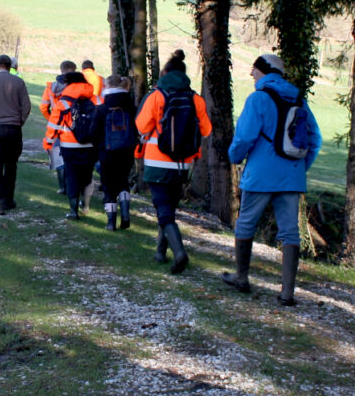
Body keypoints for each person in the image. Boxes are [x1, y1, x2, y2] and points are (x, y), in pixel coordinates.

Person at [221, 52, 321, 305]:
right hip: (292, 174)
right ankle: (287, 292)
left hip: (261, 174)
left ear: (263, 72)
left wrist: (234, 157)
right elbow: (314, 139)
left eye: (254, 70)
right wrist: (300, 168)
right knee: (290, 233)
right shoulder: (299, 99)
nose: (252, 74)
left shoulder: (258, 98)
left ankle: (241, 277)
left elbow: (244, 137)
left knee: (246, 224)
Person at [135, 49, 211, 273]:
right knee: (169, 208)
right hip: (182, 164)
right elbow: (206, 130)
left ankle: (179, 253)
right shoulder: (195, 98)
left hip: (157, 162)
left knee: (162, 209)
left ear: (165, 73)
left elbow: (141, 127)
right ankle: (160, 252)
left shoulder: (156, 95)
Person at [0, 53, 33, 214]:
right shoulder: (19, 82)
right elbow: (27, 106)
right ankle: (8, 200)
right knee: (11, 166)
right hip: (14, 129)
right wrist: (20, 121)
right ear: (10, 67)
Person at [43, 70, 100, 220]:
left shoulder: (63, 102)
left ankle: (73, 211)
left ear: (69, 84)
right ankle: (85, 203)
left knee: (72, 176)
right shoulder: (96, 100)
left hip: (69, 145)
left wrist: (48, 143)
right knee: (87, 176)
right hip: (91, 145)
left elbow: (54, 125)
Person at [97, 74, 138, 230]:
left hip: (107, 151)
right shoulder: (131, 108)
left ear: (108, 87)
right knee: (123, 181)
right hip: (127, 150)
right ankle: (126, 213)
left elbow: (94, 132)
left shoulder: (102, 108)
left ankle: (111, 221)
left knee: (108, 186)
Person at [42, 61, 76, 194]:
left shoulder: (51, 88)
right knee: (73, 156)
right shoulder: (77, 87)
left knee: (57, 154)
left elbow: (43, 107)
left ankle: (62, 187)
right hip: (73, 126)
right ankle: (73, 186)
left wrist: (51, 118)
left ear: (61, 70)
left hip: (57, 125)